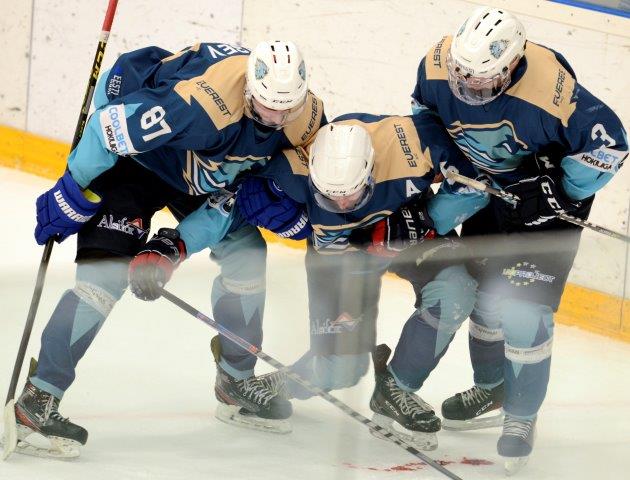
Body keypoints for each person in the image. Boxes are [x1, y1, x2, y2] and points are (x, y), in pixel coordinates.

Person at [15, 40, 325, 457]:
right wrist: (73, 188)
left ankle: (235, 380)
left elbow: (238, 198)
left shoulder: (307, 119)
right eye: (266, 108)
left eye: (285, 110)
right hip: (138, 163)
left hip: (199, 172)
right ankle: (38, 399)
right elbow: (107, 128)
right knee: (104, 276)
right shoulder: (198, 105)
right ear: (250, 89)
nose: (275, 120)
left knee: (246, 254)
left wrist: (176, 245)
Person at [387, 5, 628, 473]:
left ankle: (521, 417)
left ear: (512, 64)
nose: (468, 87)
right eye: (462, 76)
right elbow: (425, 114)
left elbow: (611, 143)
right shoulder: (437, 64)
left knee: (523, 312)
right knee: (485, 299)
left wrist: (559, 190)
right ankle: (493, 387)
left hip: (545, 207)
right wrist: (450, 160)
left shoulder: (550, 89)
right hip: (491, 193)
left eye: (482, 80)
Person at [232, 111, 479, 450]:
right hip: (349, 253)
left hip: (409, 227)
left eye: (351, 194)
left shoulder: (414, 141)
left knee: (456, 292)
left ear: (370, 171)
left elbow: (477, 183)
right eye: (329, 196)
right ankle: (278, 384)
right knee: (340, 369)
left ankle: (396, 390)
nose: (342, 204)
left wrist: (425, 217)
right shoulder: (293, 175)